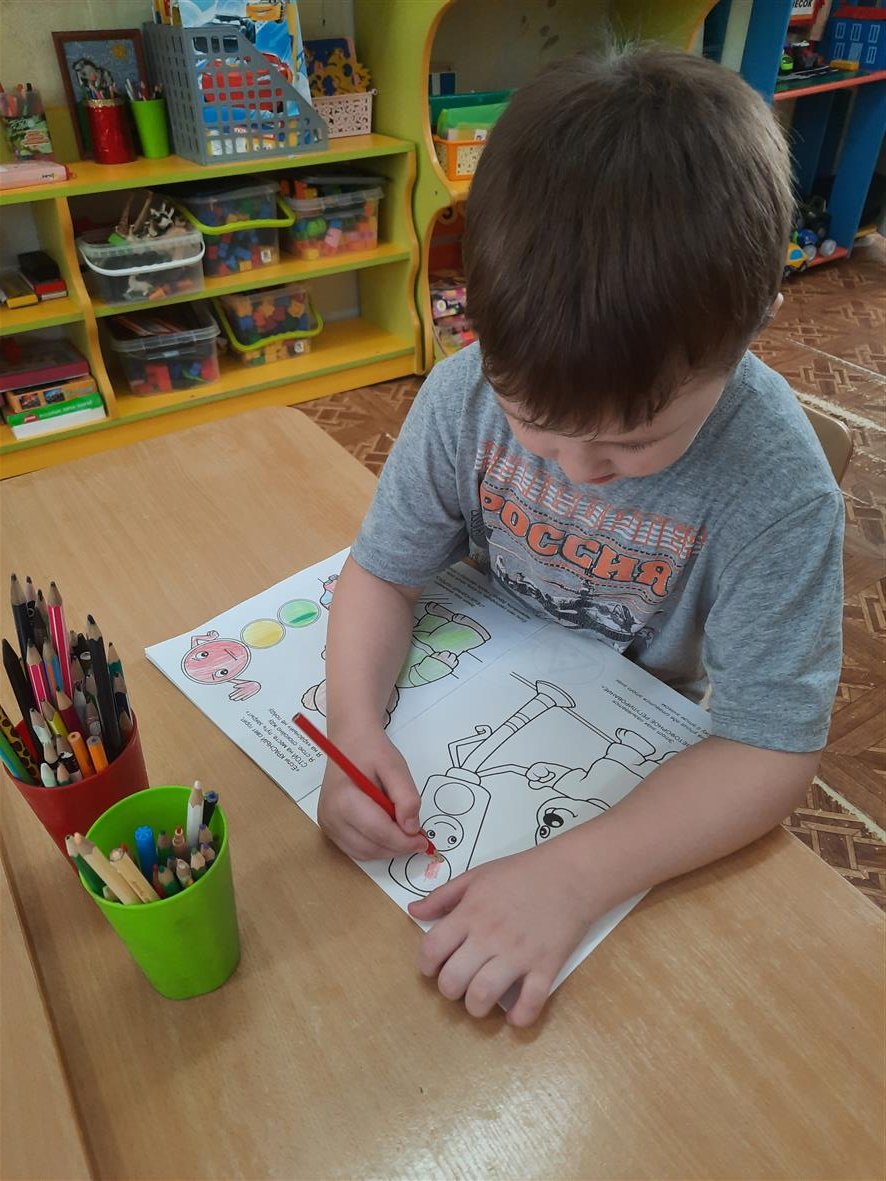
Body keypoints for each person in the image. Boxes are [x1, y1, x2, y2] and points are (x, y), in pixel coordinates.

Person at [316, 45, 843, 1027]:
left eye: (634, 441)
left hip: (643, 767)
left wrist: (572, 876)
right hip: (490, 694)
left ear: (750, 331)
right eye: (533, 424)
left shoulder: (777, 490)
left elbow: (771, 747)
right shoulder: (462, 394)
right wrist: (352, 726)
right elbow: (382, 574)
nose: (577, 467)